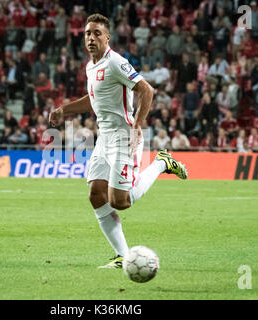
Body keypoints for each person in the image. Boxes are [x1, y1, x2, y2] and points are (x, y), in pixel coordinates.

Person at [48, 14, 188, 269]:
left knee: (119, 202)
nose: (91, 38)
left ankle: (161, 163)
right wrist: (63, 110)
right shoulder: (92, 66)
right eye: (88, 33)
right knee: (95, 194)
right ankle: (123, 255)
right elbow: (94, 99)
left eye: (97, 33)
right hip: (104, 138)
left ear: (107, 37)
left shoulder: (115, 62)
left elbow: (146, 90)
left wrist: (137, 126)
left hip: (124, 136)